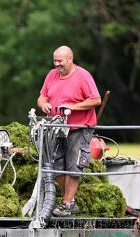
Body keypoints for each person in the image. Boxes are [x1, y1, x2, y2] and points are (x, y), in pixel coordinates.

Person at [37, 45, 101, 217]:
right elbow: (42, 96)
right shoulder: (51, 75)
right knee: (56, 165)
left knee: (73, 166)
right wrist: (44, 104)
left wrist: (73, 107)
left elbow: (96, 100)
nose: (57, 64)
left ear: (70, 59)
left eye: (60, 61)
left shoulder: (83, 76)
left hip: (79, 129)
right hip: (56, 128)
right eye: (55, 60)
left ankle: (66, 204)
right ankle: (70, 201)